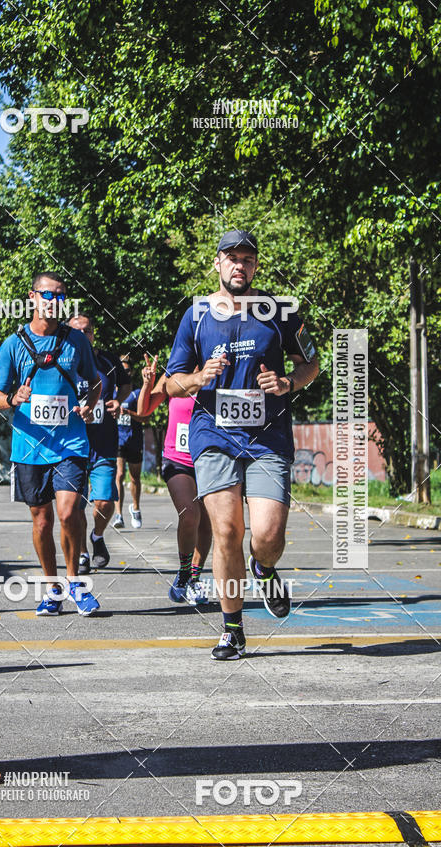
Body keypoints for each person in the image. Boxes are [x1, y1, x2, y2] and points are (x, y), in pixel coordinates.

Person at [166, 229, 319, 660]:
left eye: (247, 259)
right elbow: (171, 382)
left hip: (268, 436)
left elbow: (313, 362)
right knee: (228, 531)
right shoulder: (195, 316)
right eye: (231, 258)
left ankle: (265, 569)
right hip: (213, 435)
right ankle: (232, 629)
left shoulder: (278, 312)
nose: (239, 266)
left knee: (267, 535)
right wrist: (199, 378)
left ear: (256, 266)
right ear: (217, 263)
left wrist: (288, 382)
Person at [0, 271, 102, 617]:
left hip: (70, 443)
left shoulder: (76, 341)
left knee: (69, 512)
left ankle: (76, 584)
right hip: (29, 445)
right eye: (48, 295)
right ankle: (51, 588)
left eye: (60, 296)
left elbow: (95, 382)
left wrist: (90, 405)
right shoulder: (13, 344)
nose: (54, 302)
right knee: (42, 522)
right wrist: (13, 398)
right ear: (32, 298)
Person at [138, 353, 212, 605]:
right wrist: (148, 384)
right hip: (177, 459)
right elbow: (143, 411)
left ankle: (194, 577)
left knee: (207, 522)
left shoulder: (219, 371)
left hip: (211, 458)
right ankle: (183, 574)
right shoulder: (174, 375)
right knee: (190, 514)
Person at [68, 312, 131, 573]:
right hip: (71, 445)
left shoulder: (107, 360)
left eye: (88, 330)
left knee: (104, 501)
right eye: (77, 331)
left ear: (93, 334)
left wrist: (119, 401)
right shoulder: (61, 362)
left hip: (104, 442)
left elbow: (126, 386)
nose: (84, 335)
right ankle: (82, 552)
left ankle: (97, 535)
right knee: (74, 505)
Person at [113, 358, 148, 529]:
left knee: (134, 477)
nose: (125, 373)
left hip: (134, 439)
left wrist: (128, 412)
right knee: (119, 475)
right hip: (118, 439)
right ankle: (118, 515)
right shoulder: (113, 393)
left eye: (127, 371)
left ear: (131, 373)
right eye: (122, 370)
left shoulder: (136, 393)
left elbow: (145, 417)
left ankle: (135, 508)